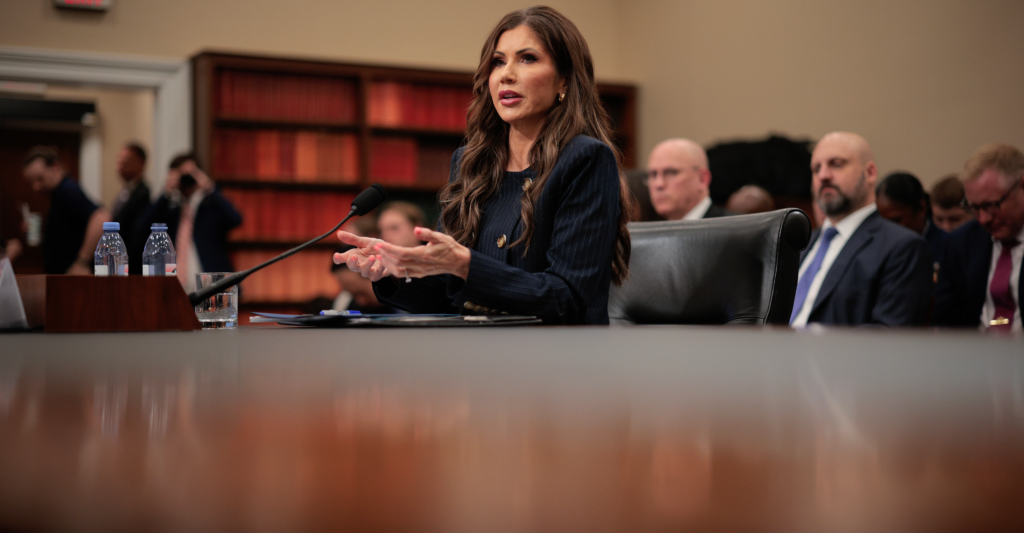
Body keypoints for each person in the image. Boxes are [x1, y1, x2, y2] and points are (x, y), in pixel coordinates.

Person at [335, 6, 631, 325]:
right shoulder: (469, 163)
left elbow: (569, 299)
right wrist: (394, 269)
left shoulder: (585, 159)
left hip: (558, 363)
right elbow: (447, 296)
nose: (506, 74)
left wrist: (465, 265)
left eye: (527, 58)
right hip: (476, 359)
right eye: (498, 62)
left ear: (564, 81)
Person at [789, 132, 931, 327]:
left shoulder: (902, 246)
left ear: (870, 173)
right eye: (816, 169)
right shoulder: (801, 246)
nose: (823, 175)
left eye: (836, 164)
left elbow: (888, 335)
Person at [933, 143, 1024, 333]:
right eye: (974, 208)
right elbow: (947, 320)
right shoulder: (961, 242)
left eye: (992, 205)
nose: (984, 219)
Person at [136, 153, 242, 292]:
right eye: (182, 175)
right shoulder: (169, 209)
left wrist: (209, 187)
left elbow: (235, 219)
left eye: (191, 174)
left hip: (214, 287)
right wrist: (165, 194)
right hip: (175, 290)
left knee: (216, 314)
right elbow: (141, 229)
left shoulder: (211, 204)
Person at [22, 146, 110, 275]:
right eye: (32, 182)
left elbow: (101, 218)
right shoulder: (59, 194)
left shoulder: (67, 191)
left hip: (73, 278)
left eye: (40, 178)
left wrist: (82, 262)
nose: (36, 187)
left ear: (55, 167)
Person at [875, 171, 947, 282]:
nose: (888, 229)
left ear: (922, 209)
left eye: (895, 221)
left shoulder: (948, 248)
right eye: (882, 222)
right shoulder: (875, 249)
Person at [645, 138, 732, 220]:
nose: (659, 184)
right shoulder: (646, 233)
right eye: (653, 175)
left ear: (702, 179)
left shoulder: (736, 229)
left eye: (671, 172)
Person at [111, 142, 152, 274]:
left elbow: (136, 236)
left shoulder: (142, 194)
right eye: (120, 159)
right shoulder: (125, 192)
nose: (121, 164)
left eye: (127, 160)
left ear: (141, 164)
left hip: (132, 267)